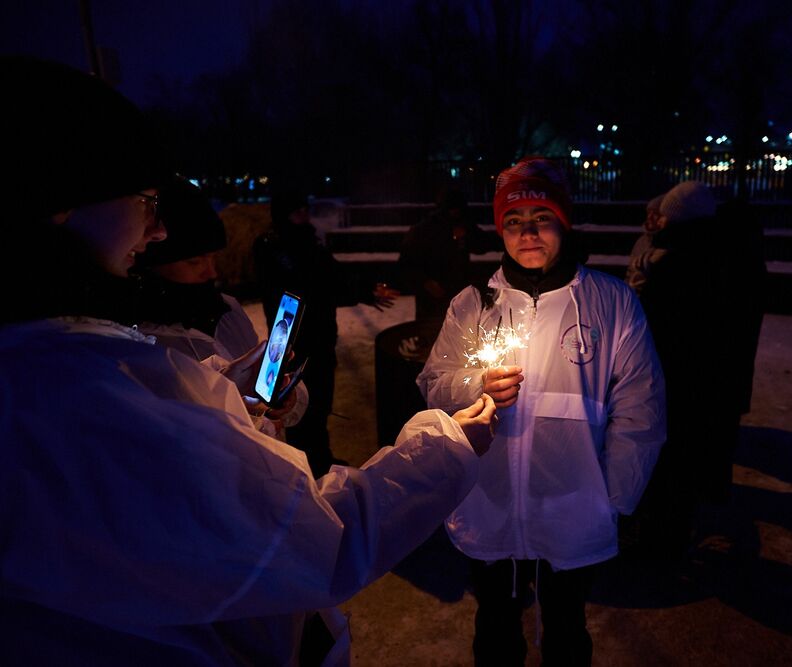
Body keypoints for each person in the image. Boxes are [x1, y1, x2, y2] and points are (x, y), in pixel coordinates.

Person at [0, 55, 498, 666]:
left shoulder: (56, 360)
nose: (155, 231)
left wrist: (233, 399)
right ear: (59, 197)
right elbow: (313, 542)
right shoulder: (67, 394)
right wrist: (447, 447)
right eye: (145, 201)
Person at [417, 157, 666, 666]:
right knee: (494, 631)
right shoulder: (474, 304)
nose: (527, 233)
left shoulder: (611, 303)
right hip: (489, 502)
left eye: (541, 218)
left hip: (573, 506)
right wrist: (474, 384)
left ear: (564, 222)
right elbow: (433, 384)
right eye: (513, 222)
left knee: (568, 631)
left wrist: (612, 499)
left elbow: (641, 407)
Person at [635, 180, 766, 556]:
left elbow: (661, 325)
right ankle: (671, 530)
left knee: (671, 462)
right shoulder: (713, 252)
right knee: (684, 459)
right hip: (699, 382)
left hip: (677, 380)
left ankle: (662, 542)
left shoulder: (681, 259)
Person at [130, 176, 306, 439]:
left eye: (212, 257)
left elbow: (260, 378)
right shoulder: (138, 340)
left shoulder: (225, 308)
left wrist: (287, 396)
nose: (211, 272)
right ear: (149, 260)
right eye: (194, 262)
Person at [253, 188, 400, 475]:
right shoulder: (272, 246)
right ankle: (305, 466)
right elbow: (312, 286)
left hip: (321, 337)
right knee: (298, 409)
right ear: (283, 213)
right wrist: (357, 290)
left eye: (305, 209)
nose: (304, 215)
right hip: (293, 341)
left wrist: (366, 289)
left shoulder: (309, 240)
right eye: (297, 211)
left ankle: (321, 458)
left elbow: (332, 276)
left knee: (320, 404)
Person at [398, 185, 493, 321]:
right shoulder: (423, 230)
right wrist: (426, 282)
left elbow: (483, 245)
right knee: (432, 333)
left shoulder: (463, 225)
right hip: (432, 297)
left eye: (458, 210)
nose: (455, 213)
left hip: (459, 293)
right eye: (452, 209)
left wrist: (466, 237)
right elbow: (406, 263)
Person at [623, 192, 666, 294]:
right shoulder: (642, 241)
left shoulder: (664, 246)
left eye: (655, 214)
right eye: (648, 212)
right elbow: (629, 273)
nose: (650, 217)